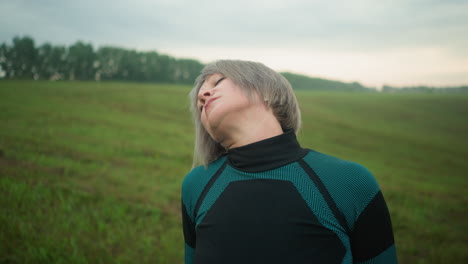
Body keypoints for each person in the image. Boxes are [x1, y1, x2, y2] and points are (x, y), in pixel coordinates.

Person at [181, 60, 397, 264]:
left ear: (266, 91)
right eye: (199, 102)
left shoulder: (349, 181)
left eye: (217, 82)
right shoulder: (196, 184)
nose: (202, 94)